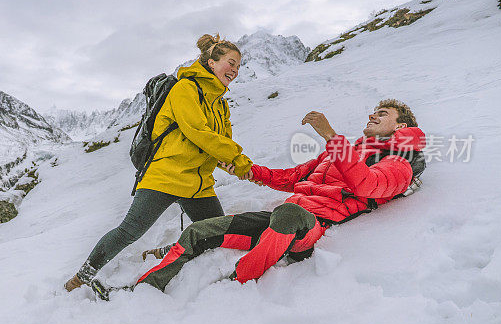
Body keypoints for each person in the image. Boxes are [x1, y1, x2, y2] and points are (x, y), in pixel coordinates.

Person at [134, 99, 426, 291]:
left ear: (401, 126)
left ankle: (234, 284)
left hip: (312, 228)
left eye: (383, 113)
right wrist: (247, 171)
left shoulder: (399, 162)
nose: (373, 114)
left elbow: (365, 185)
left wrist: (330, 136)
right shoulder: (344, 150)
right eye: (374, 110)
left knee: (289, 214)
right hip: (281, 220)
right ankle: (145, 287)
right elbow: (292, 177)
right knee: (200, 230)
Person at [64, 34, 254, 291]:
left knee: (215, 234)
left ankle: (163, 252)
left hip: (197, 183)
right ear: (211, 62)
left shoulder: (220, 105)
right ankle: (80, 278)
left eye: (239, 66)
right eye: (231, 62)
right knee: (129, 231)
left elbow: (217, 144)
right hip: (165, 177)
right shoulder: (185, 89)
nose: (235, 69)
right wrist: (236, 157)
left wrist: (231, 164)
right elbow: (197, 132)